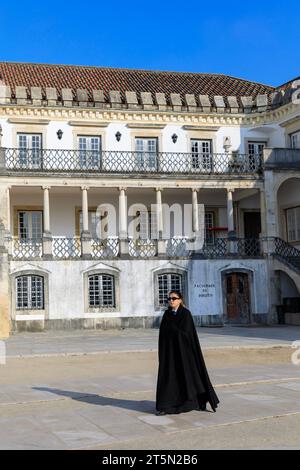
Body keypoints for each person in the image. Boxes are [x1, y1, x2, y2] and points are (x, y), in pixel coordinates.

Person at [155, 290, 219, 415]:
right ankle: (166, 406)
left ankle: (196, 401)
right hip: (171, 353)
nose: (171, 301)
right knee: (170, 378)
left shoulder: (185, 314)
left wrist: (173, 331)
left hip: (185, 353)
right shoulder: (167, 314)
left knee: (190, 377)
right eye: (169, 299)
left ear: (180, 300)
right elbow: (163, 333)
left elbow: (186, 333)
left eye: (173, 298)